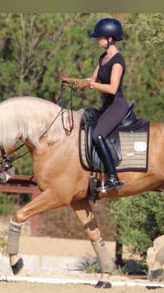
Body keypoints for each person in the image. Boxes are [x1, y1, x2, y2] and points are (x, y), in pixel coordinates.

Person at [62, 17, 129, 193]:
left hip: (117, 105)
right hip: (106, 105)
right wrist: (75, 82)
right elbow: (92, 80)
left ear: (110, 38)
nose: (97, 40)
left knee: (98, 135)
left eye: (99, 37)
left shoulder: (117, 61)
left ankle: (114, 178)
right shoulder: (103, 58)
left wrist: (93, 85)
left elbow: (113, 88)